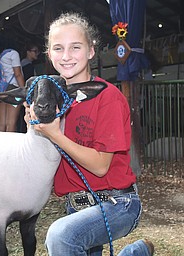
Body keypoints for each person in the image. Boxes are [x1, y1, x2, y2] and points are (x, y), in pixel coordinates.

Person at [25, 13, 154, 256]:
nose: (66, 56)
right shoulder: (52, 101)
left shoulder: (108, 97)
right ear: (49, 54)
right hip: (76, 205)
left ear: (91, 51)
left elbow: (100, 166)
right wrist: (34, 129)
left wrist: (54, 134)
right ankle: (136, 252)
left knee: (61, 236)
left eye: (75, 47)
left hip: (116, 204)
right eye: (58, 48)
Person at [0, 32, 25, 132]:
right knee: (11, 122)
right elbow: (18, 74)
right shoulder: (13, 53)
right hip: (13, 90)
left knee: (1, 122)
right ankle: (10, 147)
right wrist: (23, 90)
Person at [17, 42, 40, 133]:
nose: (37, 53)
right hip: (26, 94)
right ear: (28, 52)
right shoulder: (28, 66)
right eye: (35, 51)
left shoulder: (22, 64)